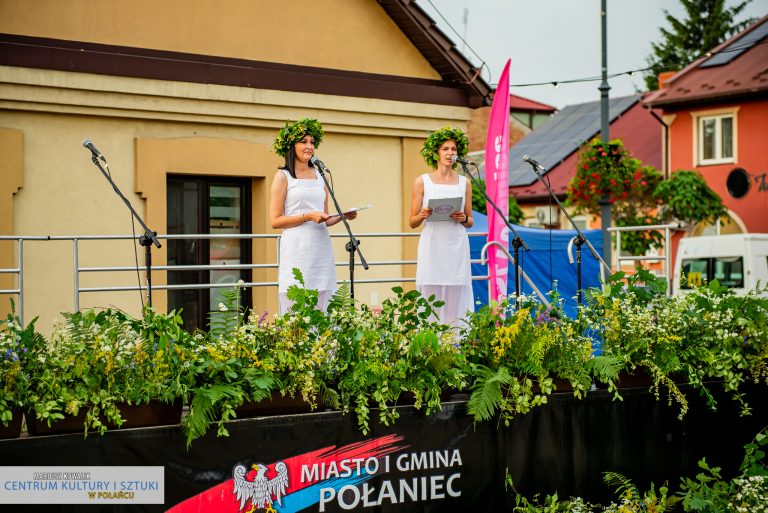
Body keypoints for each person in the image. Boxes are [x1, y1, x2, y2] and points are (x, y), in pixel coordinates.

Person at [269, 118, 356, 314]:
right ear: (291, 146)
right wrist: (307, 216)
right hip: (297, 248)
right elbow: (275, 221)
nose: (309, 146)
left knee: (322, 299)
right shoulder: (283, 177)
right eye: (304, 141)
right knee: (298, 300)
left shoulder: (320, 176)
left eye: (311, 142)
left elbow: (324, 218)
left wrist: (343, 216)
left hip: (320, 247)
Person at [409, 126, 474, 326]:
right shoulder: (422, 182)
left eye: (453, 149)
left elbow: (470, 221)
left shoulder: (465, 183)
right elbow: (412, 222)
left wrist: (462, 217)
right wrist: (422, 214)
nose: (450, 153)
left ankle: (455, 343)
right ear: (436, 152)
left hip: (456, 246)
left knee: (456, 294)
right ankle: (430, 344)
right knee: (431, 295)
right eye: (445, 149)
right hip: (433, 246)